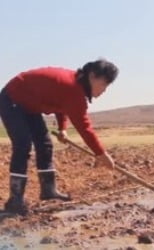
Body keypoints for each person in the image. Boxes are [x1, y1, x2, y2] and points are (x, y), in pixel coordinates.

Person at [0, 59, 118, 216]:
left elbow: (61, 104)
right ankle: (15, 201)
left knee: (45, 144)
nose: (104, 90)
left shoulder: (74, 85)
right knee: (23, 145)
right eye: (104, 84)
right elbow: (84, 128)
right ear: (93, 76)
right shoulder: (72, 88)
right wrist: (101, 153)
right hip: (12, 99)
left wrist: (62, 128)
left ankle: (48, 190)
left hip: (29, 105)